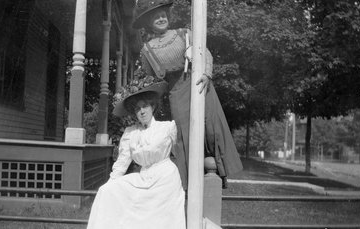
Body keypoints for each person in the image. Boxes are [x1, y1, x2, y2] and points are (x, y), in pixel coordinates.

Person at [132, 0, 243, 189]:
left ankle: (218, 176)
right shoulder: (147, 50)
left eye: (163, 15)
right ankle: (190, 184)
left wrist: (207, 74)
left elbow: (205, 53)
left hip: (199, 84)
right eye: (156, 17)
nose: (161, 19)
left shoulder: (184, 34)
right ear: (149, 22)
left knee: (211, 127)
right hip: (175, 92)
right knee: (184, 135)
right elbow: (152, 81)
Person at [86, 81, 186, 229]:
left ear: (153, 107)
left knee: (160, 221)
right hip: (143, 177)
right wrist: (111, 182)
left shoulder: (167, 128)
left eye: (145, 106)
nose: (142, 111)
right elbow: (122, 163)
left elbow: (181, 153)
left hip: (165, 179)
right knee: (106, 191)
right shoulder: (131, 133)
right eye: (138, 109)